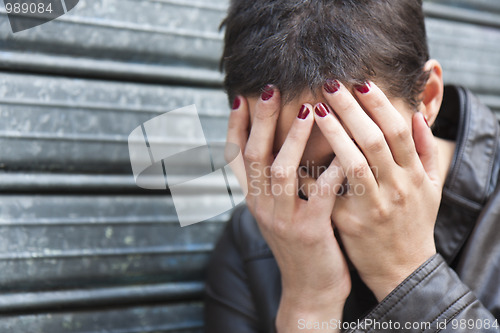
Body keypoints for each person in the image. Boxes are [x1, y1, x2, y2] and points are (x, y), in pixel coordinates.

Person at [205, 0, 500, 332]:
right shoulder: (254, 239)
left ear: (428, 97)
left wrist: (407, 275)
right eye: (284, 170)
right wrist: (309, 305)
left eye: (352, 167)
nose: (320, 202)